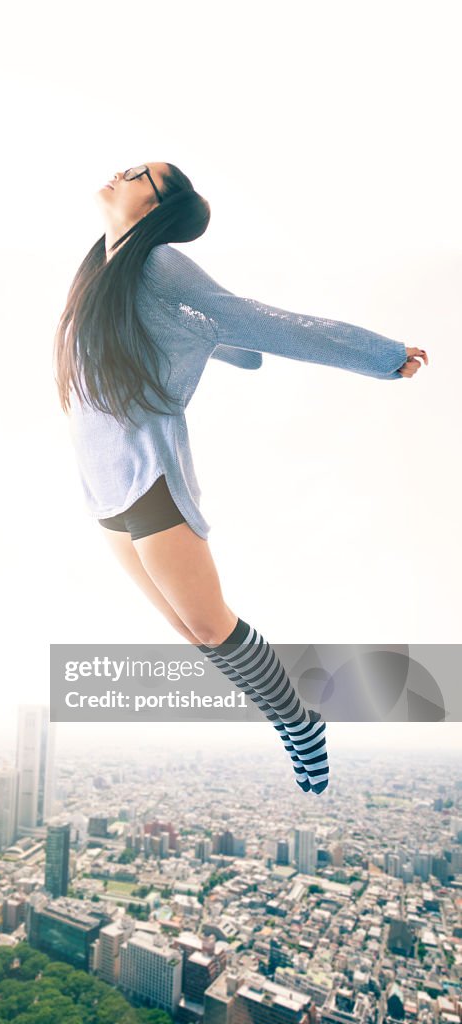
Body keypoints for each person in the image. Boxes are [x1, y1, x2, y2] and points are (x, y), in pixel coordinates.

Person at [53, 161, 428, 795]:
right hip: (101, 484)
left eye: (140, 172)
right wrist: (211, 338)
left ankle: (299, 721)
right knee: (185, 628)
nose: (122, 171)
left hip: (147, 474)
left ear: (155, 208)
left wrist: (384, 356)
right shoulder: (102, 267)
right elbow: (200, 335)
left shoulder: (157, 263)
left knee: (208, 624)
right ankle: (292, 717)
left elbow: (261, 322)